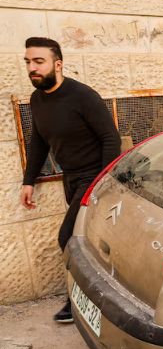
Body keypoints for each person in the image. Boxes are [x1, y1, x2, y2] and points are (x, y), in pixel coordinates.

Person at [20, 37, 121, 323]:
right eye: (28, 62)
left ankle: (78, 299)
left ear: (58, 64)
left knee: (68, 237)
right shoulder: (37, 99)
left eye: (39, 61)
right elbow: (38, 142)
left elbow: (110, 139)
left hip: (94, 177)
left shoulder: (83, 96)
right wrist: (30, 181)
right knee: (85, 240)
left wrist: (102, 185)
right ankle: (98, 293)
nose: (32, 68)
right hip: (71, 178)